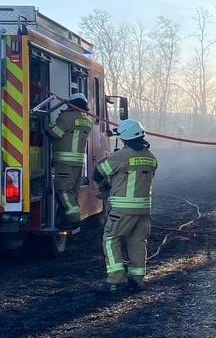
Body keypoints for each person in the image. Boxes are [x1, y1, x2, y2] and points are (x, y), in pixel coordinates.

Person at [92, 119, 158, 293]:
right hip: (144, 210)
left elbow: (98, 173)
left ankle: (115, 280)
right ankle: (136, 280)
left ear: (124, 138)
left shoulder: (122, 155)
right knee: (138, 243)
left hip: (122, 210)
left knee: (110, 240)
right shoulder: (151, 157)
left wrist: (106, 184)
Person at [48, 93, 94, 226]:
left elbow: (56, 133)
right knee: (72, 191)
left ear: (70, 104)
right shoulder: (88, 121)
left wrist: (48, 126)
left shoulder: (67, 117)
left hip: (65, 162)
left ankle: (73, 218)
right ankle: (68, 217)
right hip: (78, 163)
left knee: (63, 191)